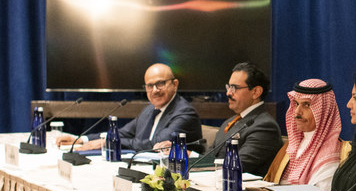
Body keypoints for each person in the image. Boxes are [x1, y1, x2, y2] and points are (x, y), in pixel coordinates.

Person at [56, 63, 203, 152]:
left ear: (175, 84)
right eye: (149, 86)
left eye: (161, 83)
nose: (155, 90)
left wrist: (108, 142)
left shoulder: (185, 113)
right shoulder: (149, 110)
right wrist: (81, 139)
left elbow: (155, 145)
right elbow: (123, 133)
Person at [264, 79, 342, 191]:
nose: (297, 112)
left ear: (324, 110)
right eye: (296, 104)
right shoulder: (290, 148)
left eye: (306, 105)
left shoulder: (331, 153)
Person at [212, 62, 283, 176]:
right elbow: (211, 156)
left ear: (256, 92)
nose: (228, 93)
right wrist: (189, 156)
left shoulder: (265, 126)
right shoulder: (229, 122)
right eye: (229, 87)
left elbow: (236, 166)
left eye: (235, 88)